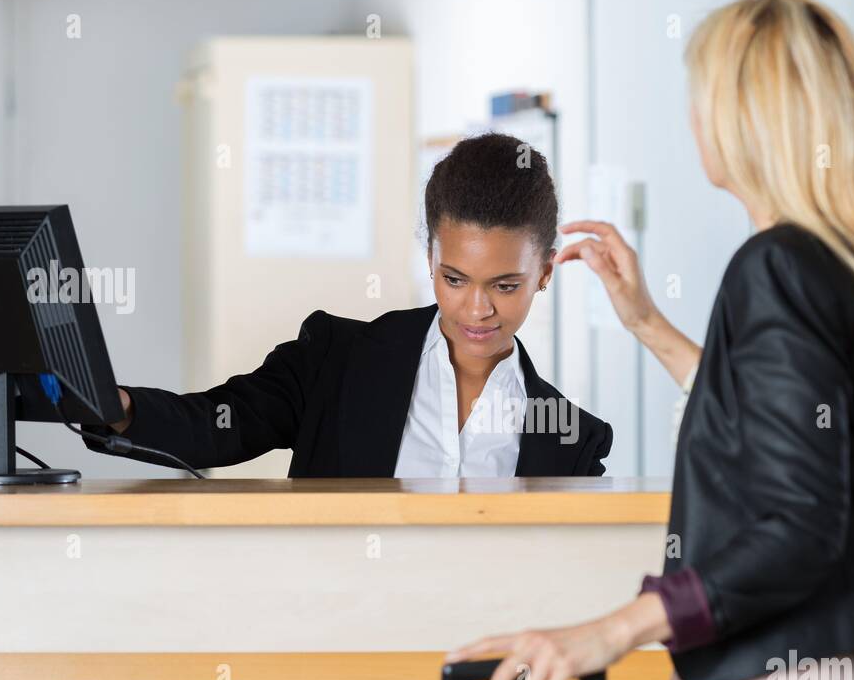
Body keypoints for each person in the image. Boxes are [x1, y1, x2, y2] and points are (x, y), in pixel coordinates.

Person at [447, 0, 854, 680]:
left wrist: (612, 631)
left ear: (742, 115)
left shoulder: (776, 267)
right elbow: (788, 429)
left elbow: (798, 526)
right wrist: (648, 324)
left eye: (702, 94)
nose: (692, 117)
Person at [85, 132, 612, 478]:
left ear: (544, 272)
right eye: (454, 279)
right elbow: (217, 424)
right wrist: (120, 408)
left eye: (504, 286)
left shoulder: (573, 440)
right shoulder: (335, 360)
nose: (476, 310)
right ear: (429, 257)